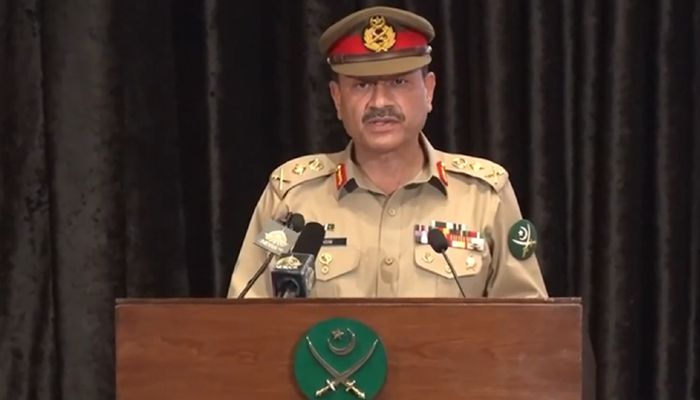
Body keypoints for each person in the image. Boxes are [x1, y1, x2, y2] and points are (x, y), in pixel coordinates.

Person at [226, 6, 548, 299]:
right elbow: (243, 320)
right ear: (337, 99)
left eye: (398, 82)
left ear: (429, 91)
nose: (380, 102)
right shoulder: (291, 199)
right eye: (362, 86)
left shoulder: (485, 197)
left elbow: (528, 329)